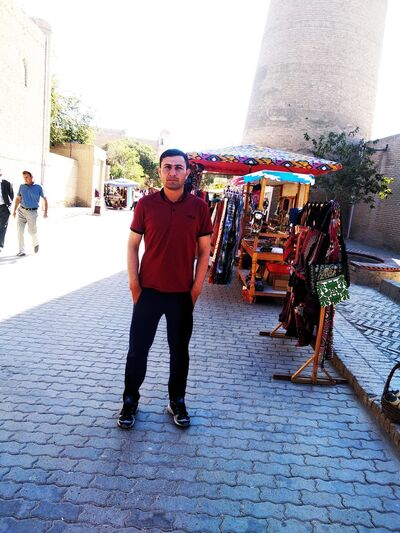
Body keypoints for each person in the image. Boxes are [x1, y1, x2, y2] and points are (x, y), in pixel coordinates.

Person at [118, 148, 213, 430]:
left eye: (178, 167)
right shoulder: (145, 205)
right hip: (148, 292)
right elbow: (133, 245)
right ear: (159, 171)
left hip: (182, 295)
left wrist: (196, 288)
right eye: (167, 167)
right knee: (137, 351)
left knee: (179, 352)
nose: (172, 172)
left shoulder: (199, 208)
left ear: (187, 172)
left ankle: (177, 401)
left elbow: (205, 251)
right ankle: (130, 401)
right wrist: (134, 283)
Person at [12, 170, 48, 256]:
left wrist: (45, 212)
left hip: (32, 212)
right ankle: (22, 250)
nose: (25, 179)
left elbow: (45, 199)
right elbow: (18, 198)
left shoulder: (38, 187)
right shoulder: (22, 186)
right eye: (24, 177)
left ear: (31, 177)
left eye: (27, 177)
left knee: (32, 231)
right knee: (19, 231)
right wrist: (14, 210)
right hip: (21, 211)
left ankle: (35, 243)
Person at [0, 169, 14, 252]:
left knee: (2, 226)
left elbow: (11, 196)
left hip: (4, 208)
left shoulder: (6, 183)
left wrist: (8, 205)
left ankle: (0, 245)